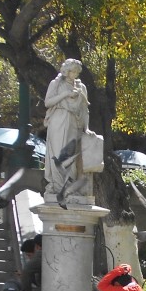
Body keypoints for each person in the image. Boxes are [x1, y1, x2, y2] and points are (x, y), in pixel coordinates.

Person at [44, 58, 90, 194]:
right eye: (72, 71)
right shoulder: (56, 84)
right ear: (66, 71)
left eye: (76, 72)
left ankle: (69, 185)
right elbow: (48, 102)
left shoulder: (81, 87)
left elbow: (85, 109)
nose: (74, 74)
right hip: (58, 119)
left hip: (74, 122)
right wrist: (65, 94)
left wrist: (86, 128)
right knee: (58, 153)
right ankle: (58, 186)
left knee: (70, 155)